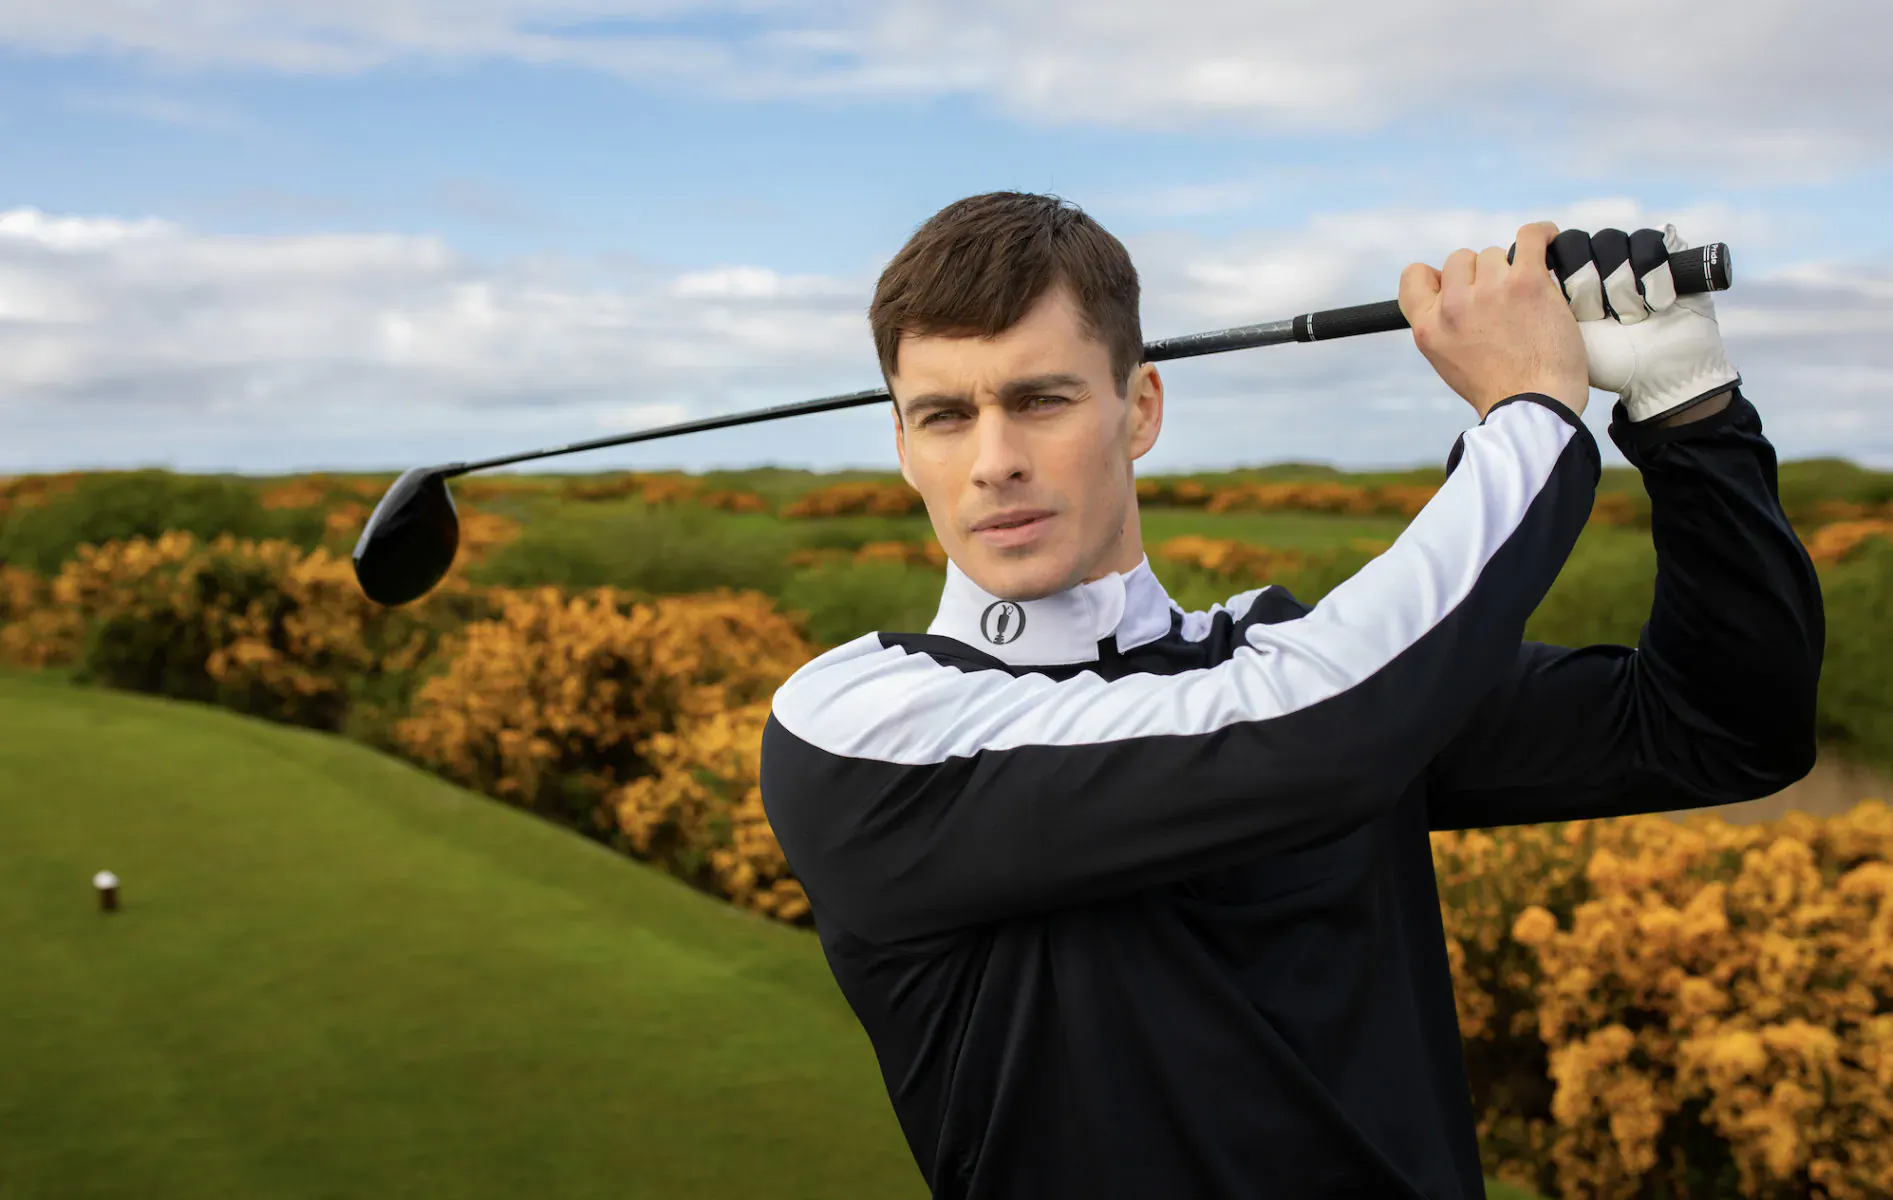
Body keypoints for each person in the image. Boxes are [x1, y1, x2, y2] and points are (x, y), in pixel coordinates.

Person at [758, 192, 1824, 1198]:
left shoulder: (1294, 662)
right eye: (945, 415)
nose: (994, 461)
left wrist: (1692, 419)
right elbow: (1317, 728)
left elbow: (1720, 729)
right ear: (902, 446)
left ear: (1140, 408)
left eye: (1040, 399)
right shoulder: (859, 724)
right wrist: (1532, 411)